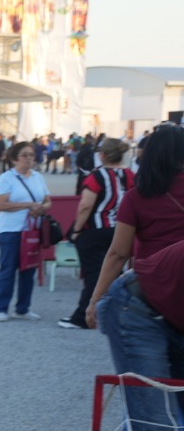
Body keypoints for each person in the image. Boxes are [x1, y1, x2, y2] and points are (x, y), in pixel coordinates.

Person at [85, 124, 184, 431]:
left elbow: (118, 254)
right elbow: (120, 254)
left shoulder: (138, 194)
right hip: (141, 308)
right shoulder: (135, 195)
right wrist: (99, 301)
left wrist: (93, 302)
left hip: (153, 302)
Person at [60, 137, 132, 330]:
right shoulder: (129, 174)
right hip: (120, 230)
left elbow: (85, 206)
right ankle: (121, 312)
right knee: (116, 272)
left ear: (102, 155)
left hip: (96, 230)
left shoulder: (97, 176)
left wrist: (75, 230)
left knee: (94, 274)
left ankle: (83, 316)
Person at [0, 141, 52, 321]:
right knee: (8, 268)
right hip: (11, 229)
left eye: (31, 155)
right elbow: (1, 205)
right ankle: (1, 308)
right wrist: (28, 205)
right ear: (15, 158)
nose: (29, 159)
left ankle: (23, 308)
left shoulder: (37, 177)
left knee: (28, 269)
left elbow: (48, 200)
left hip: (32, 228)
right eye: (24, 155)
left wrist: (42, 208)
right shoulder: (6, 178)